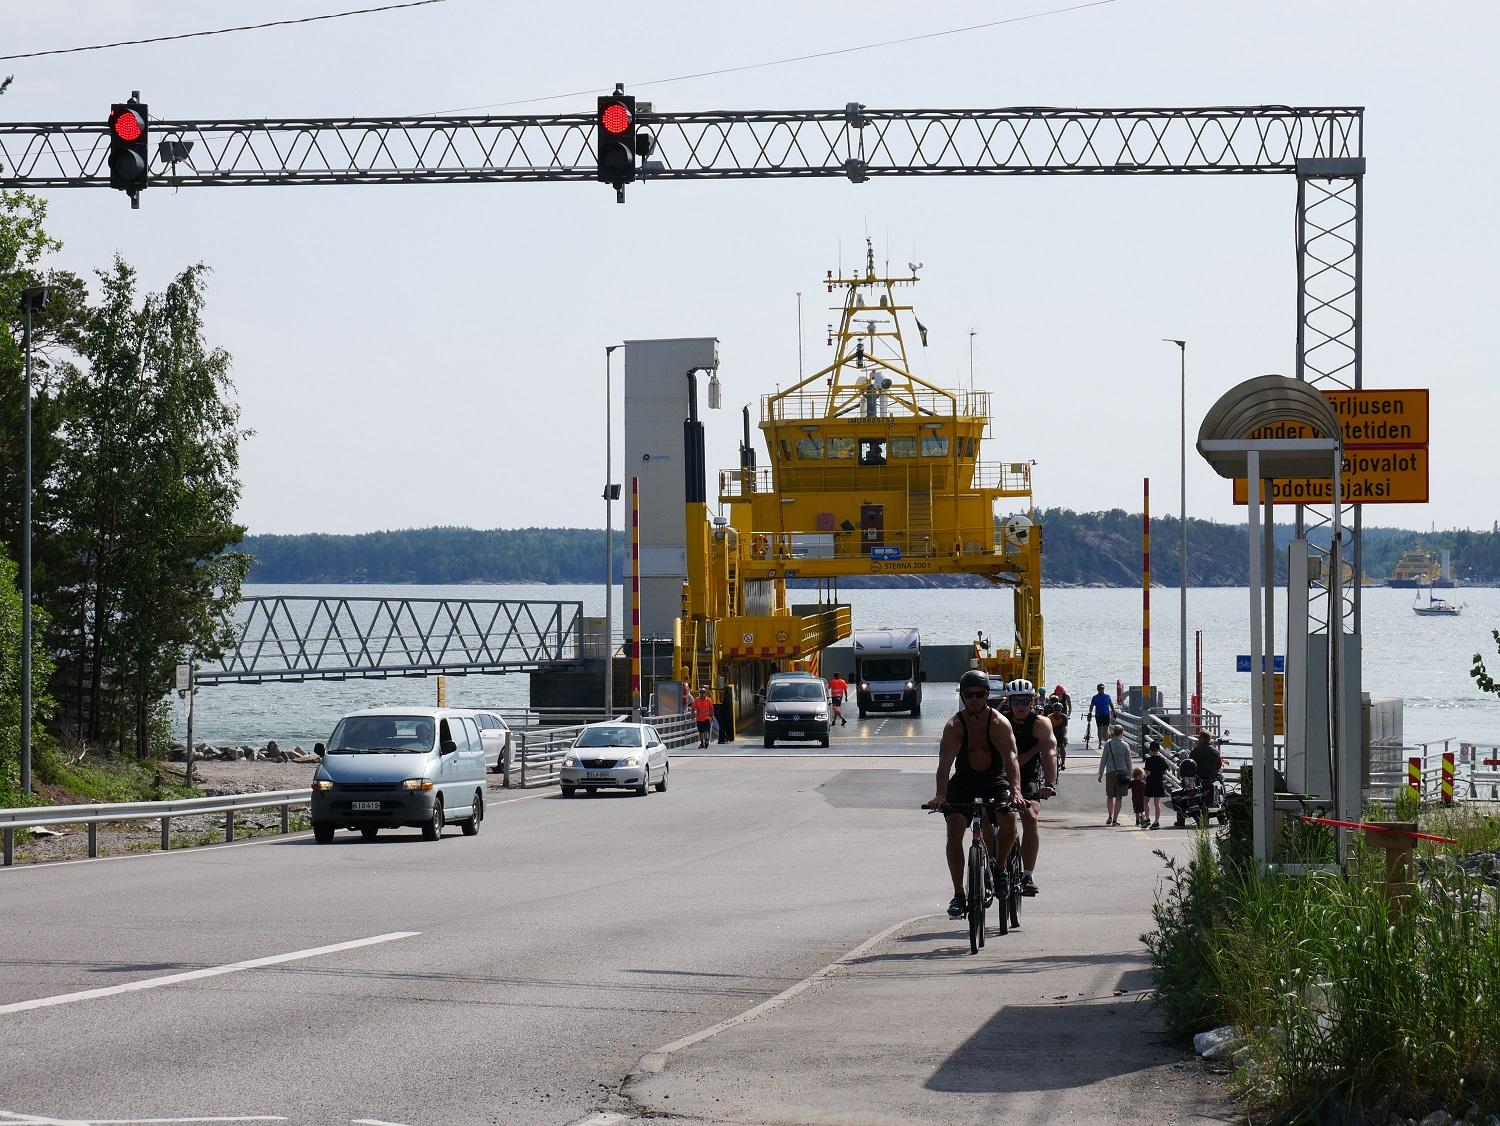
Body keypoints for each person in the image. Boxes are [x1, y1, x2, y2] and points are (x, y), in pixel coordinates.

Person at [924, 669, 1021, 919]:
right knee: (954, 826)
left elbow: (1011, 759)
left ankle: (999, 869)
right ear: (963, 696)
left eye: (979, 695)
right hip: (964, 781)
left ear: (987, 695)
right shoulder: (955, 725)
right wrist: (940, 795)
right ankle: (958, 894)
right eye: (969, 695)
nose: (974, 699)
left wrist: (1017, 791)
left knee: (1009, 819)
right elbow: (945, 763)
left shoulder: (999, 722)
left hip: (994, 780)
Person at [998, 678, 1057, 895]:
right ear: (1009, 702)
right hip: (1002, 774)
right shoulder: (999, 721)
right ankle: (997, 867)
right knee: (991, 816)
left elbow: (1050, 752)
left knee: (1030, 816)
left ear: (1032, 701)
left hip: (1029, 776)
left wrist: (1050, 783)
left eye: (1025, 701)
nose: (1020, 706)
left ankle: (1027, 875)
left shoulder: (1041, 723)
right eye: (1016, 702)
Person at [1097, 723, 1133, 825]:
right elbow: (1128, 761)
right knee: (1119, 797)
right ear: (1122, 733)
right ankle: (1115, 819)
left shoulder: (1108, 744)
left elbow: (1104, 759)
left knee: (1110, 796)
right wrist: (1130, 774)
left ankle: (1109, 816)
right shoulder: (1125, 745)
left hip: (1110, 772)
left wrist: (1100, 773)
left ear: (1113, 732)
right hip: (1122, 772)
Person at [1142, 738, 1170, 829]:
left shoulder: (1149, 760)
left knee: (1146, 800)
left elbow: (1147, 773)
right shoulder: (1162, 759)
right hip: (1159, 782)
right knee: (1157, 803)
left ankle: (1147, 818)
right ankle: (1156, 821)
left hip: (1150, 782)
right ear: (1159, 749)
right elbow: (1165, 772)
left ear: (1150, 749)